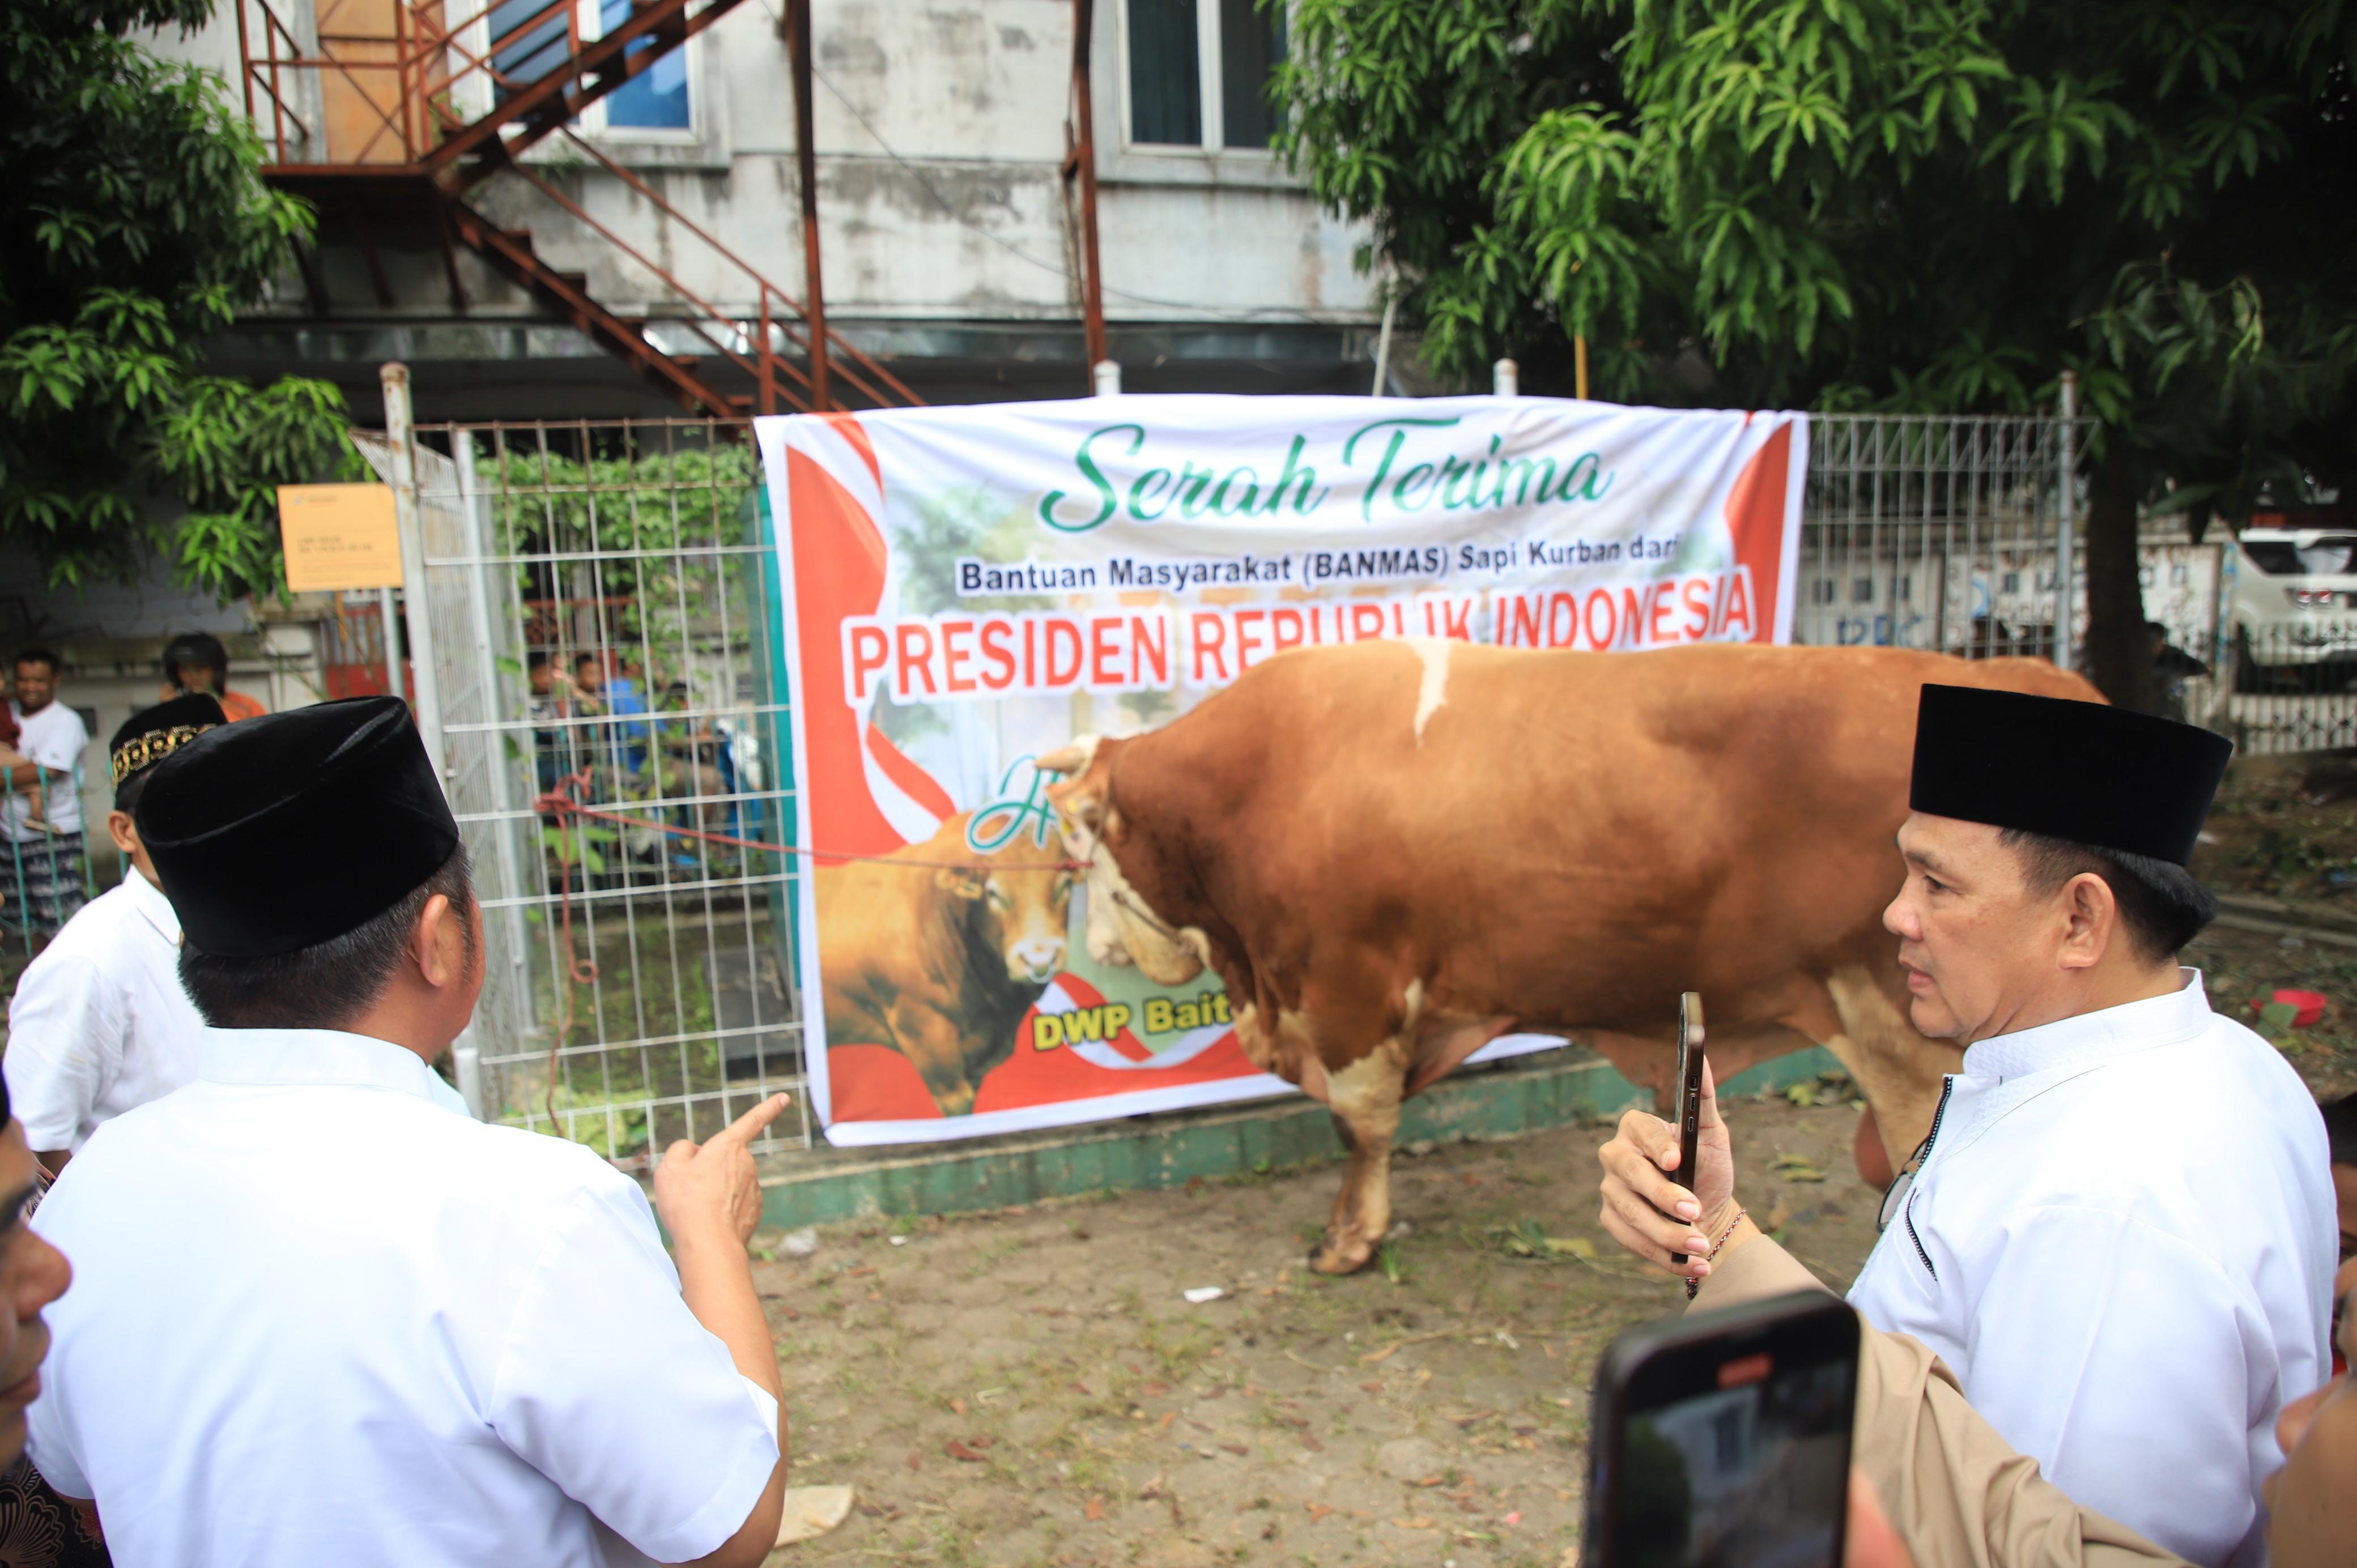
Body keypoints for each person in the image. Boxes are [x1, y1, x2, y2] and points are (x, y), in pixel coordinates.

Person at [26, 697, 789, 1565]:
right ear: (437, 939)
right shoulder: (532, 1212)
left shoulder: (86, 1201)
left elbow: (63, 1472)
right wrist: (708, 1237)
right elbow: (728, 1528)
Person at [1599, 683, 2335, 1568]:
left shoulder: (2102, 1210)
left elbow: (2038, 1543)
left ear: (2080, 919)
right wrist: (1719, 1228)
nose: (1896, 915)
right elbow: (1934, 1434)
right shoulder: (2231, 1062)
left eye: (1938, 884)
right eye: (1909, 871)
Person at [4, 696, 223, 1177]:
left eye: (225, 801)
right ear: (124, 832)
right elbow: (32, 1145)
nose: (212, 828)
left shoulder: (249, 925)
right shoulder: (89, 962)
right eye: (179, 810)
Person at [4, 649, 92, 935]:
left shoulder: (66, 721)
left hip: (53, 836)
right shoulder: (7, 714)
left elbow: (47, 771)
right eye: (23, 680)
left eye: (39, 681)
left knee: (61, 919)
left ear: (55, 680)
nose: (30, 687)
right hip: (8, 836)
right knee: (24, 924)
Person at [157, 631, 264, 723]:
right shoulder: (173, 707)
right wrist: (168, 710)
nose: (194, 675)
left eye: (201, 667)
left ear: (217, 670)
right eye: (186, 669)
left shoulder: (246, 706)